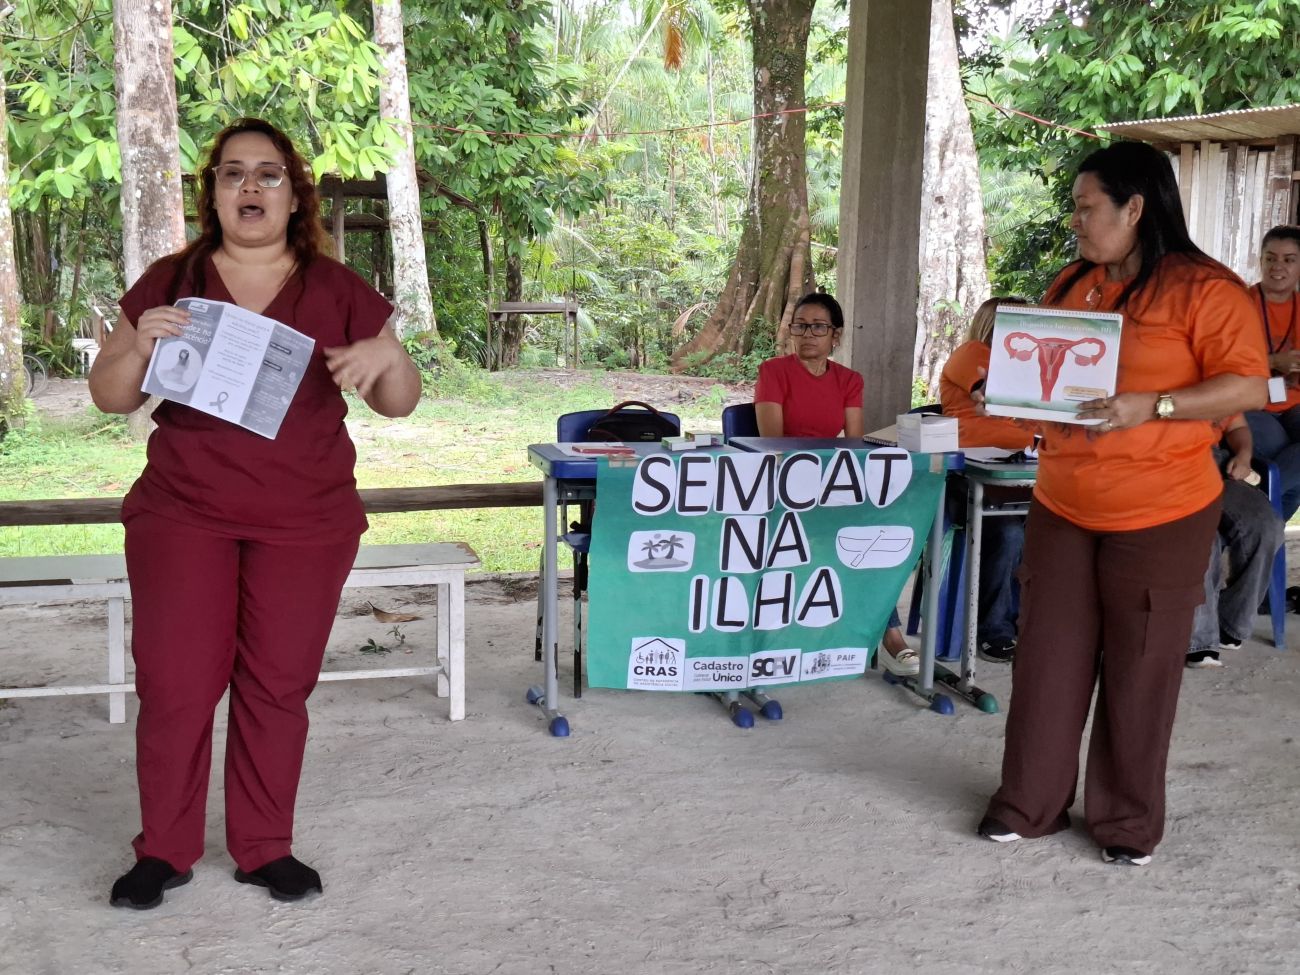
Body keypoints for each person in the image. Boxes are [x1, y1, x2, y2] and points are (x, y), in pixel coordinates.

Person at [89, 118, 421, 909]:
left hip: (305, 519)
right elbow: (110, 395)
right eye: (232, 172)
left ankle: (265, 846)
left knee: (277, 684)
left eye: (268, 174)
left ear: (293, 194)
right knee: (175, 684)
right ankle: (163, 850)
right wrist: (137, 347)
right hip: (184, 513)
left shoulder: (337, 288)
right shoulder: (172, 280)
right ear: (212, 193)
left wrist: (391, 357)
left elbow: (398, 402)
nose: (249, 186)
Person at [971, 141, 1268, 867]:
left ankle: (1127, 823)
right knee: (1047, 659)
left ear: (1135, 208)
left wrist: (1155, 404)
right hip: (1064, 501)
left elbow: (1246, 386)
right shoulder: (1074, 281)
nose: (1075, 221)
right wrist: (1004, 392)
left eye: (1086, 207)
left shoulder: (1207, 289)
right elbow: (1048, 378)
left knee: (1141, 667)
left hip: (1161, 510)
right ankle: (1029, 804)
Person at [754, 291, 919, 677]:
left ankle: (889, 637)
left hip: (831, 485)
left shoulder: (849, 380)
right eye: (800, 326)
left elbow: (854, 446)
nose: (807, 334)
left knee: (876, 534)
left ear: (836, 335)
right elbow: (774, 444)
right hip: (783, 488)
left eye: (818, 327)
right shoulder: (773, 372)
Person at [939, 296, 1035, 663]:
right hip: (968, 478)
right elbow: (991, 391)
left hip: (1021, 475)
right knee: (1010, 533)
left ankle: (1028, 621)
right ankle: (994, 628)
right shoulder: (972, 353)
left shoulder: (1026, 365)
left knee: (1052, 531)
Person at [1185, 416, 1284, 668]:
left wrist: (1243, 455)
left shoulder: (1215, 391)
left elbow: (1237, 425)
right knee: (1202, 534)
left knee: (1267, 526)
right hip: (1169, 468)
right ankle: (1200, 640)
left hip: (1216, 464)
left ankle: (1231, 623)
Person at [1243, 225, 1300, 518]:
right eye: (1270, 258)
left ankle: (1260, 506)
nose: (1278, 266)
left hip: (1293, 402)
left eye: (1289, 259)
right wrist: (1274, 362)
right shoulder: (1240, 303)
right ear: (1261, 260)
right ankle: (1264, 515)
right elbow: (1223, 366)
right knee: (1290, 466)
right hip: (1250, 402)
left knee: (1292, 471)